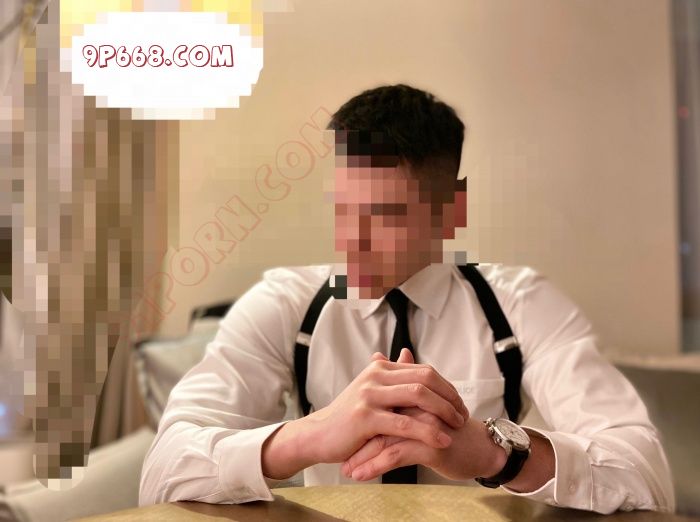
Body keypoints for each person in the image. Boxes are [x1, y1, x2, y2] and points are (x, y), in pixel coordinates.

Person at [139, 84, 675, 514]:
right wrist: (311, 435)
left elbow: (645, 474)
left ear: (452, 210)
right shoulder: (285, 303)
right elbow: (164, 471)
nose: (352, 241)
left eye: (385, 215)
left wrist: (495, 454)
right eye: (343, 209)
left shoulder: (522, 304)